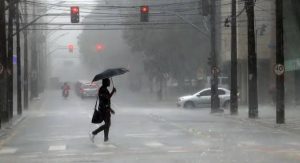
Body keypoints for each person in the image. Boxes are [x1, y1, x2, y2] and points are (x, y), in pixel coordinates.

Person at [90, 78, 116, 142]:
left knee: (107, 124)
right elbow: (105, 99)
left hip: (105, 110)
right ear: (105, 82)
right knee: (107, 124)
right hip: (103, 110)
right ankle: (94, 133)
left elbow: (107, 98)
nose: (109, 82)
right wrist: (112, 92)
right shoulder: (102, 89)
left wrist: (112, 92)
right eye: (108, 81)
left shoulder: (105, 89)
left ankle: (106, 139)